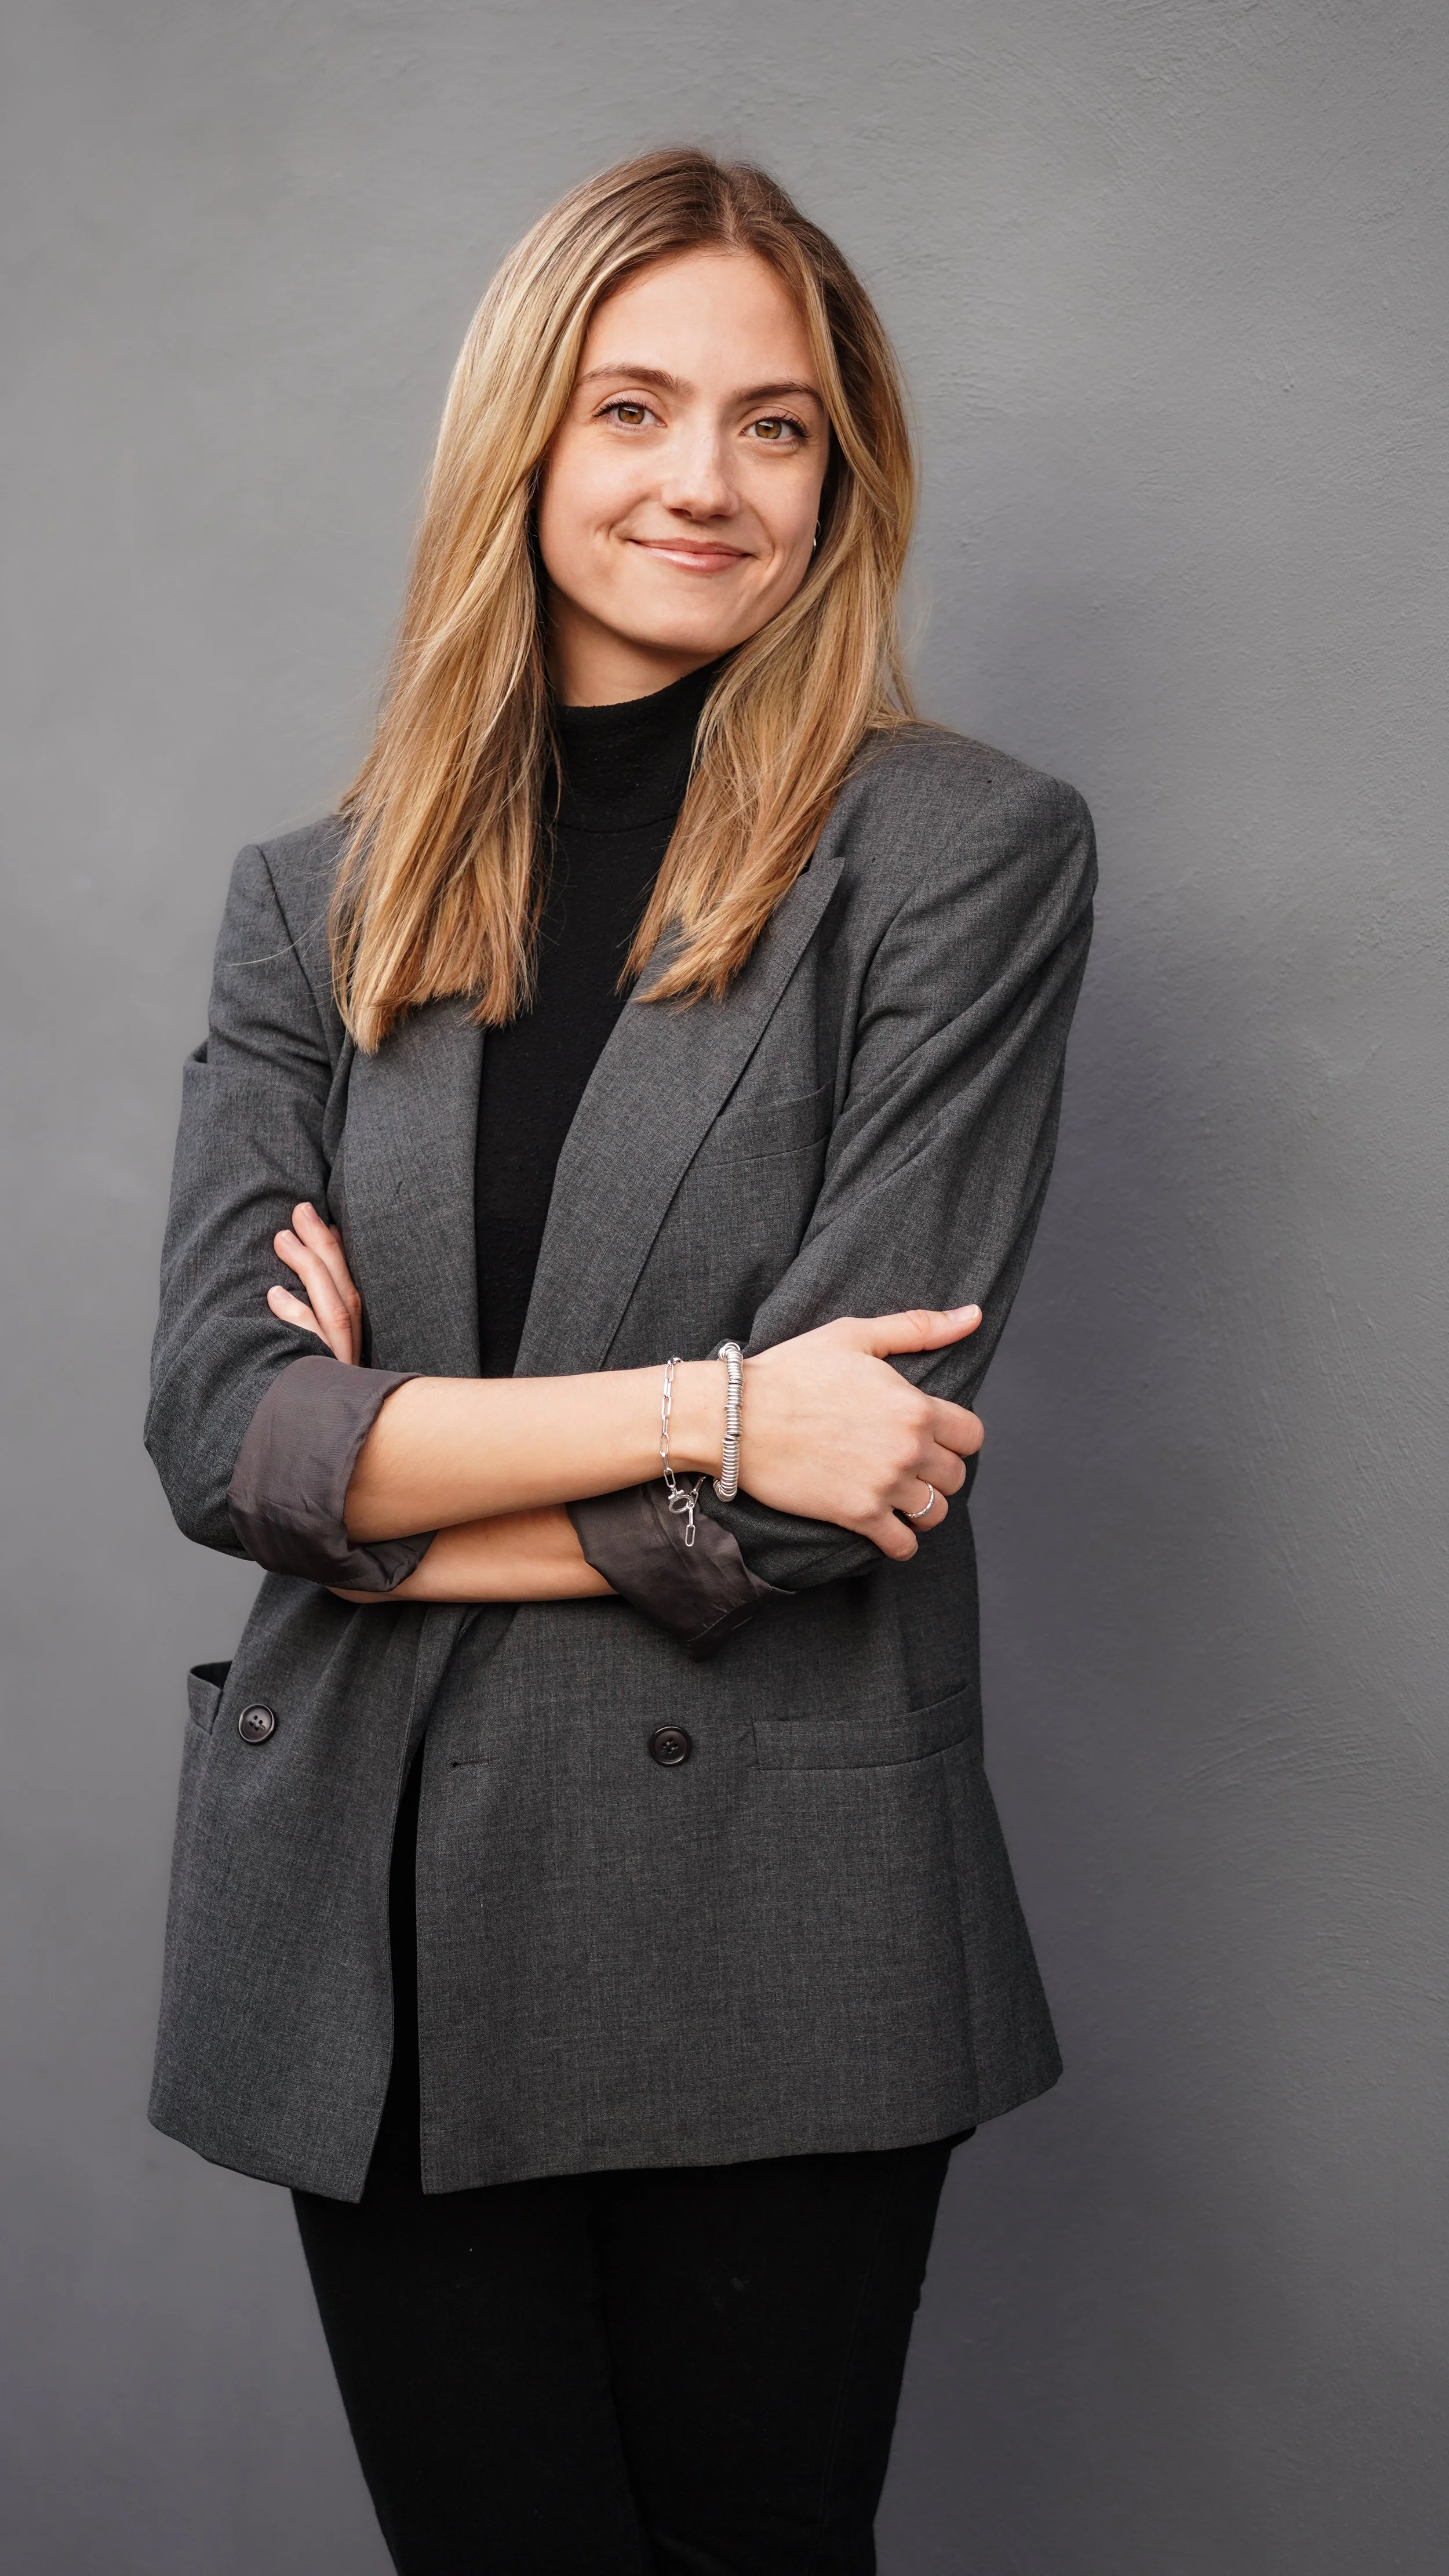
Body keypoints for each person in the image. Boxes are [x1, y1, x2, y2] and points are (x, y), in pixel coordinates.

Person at [146, 147, 1095, 2576]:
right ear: (525, 449)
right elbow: (216, 1431)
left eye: (776, 425)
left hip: (771, 1893)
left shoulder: (960, 853)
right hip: (374, 1905)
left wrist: (379, 1529)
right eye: (635, 407)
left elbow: (840, 1477)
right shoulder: (317, 901)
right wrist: (705, 1405)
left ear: (842, 469)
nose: (705, 481)